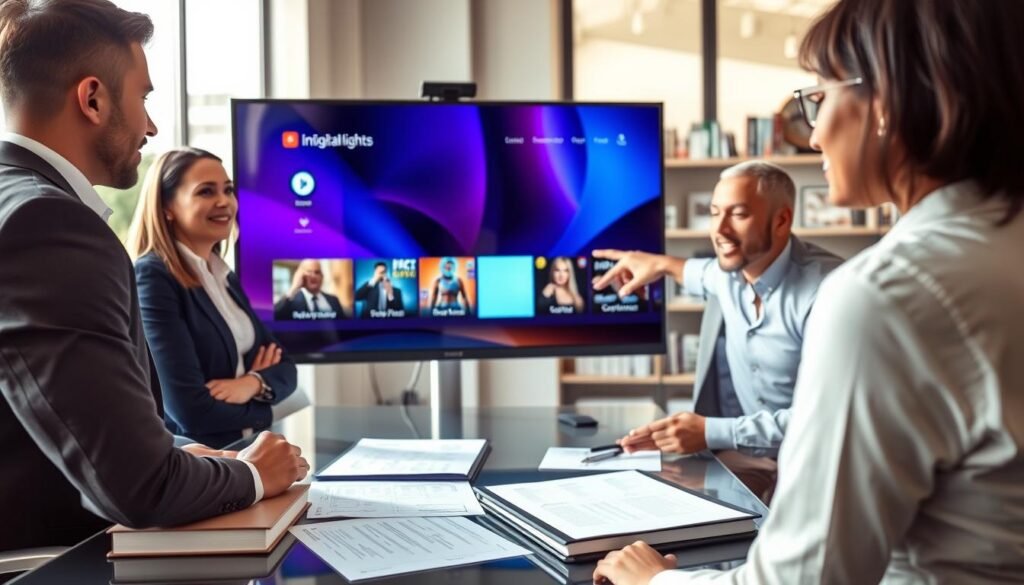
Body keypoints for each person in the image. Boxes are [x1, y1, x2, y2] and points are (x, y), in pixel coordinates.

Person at [595, 1, 1024, 583]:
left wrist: (654, 580)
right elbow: (703, 273)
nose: (813, 134)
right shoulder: (994, 249)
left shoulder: (884, 295)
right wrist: (660, 264)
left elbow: (808, 578)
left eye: (818, 97)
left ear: (888, 101)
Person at [0, 0, 307, 554]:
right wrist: (256, 473)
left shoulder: (15, 202)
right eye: (143, 97)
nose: (151, 125)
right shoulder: (49, 224)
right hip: (57, 561)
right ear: (92, 98)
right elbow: (141, 487)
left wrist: (177, 451)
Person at [594, 161, 842, 459]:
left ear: (781, 221)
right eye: (714, 213)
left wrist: (710, 432)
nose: (720, 230)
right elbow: (685, 269)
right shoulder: (726, 273)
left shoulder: (829, 293)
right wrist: (654, 263)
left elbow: (826, 418)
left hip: (823, 463)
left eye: (738, 214)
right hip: (762, 460)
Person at [129, 148, 299, 448]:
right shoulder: (153, 276)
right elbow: (190, 412)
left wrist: (251, 383)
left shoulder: (223, 275)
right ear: (167, 206)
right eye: (205, 192)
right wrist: (265, 409)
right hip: (205, 465)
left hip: (249, 451)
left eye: (228, 190)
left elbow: (285, 365)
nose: (224, 202)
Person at [272, 259, 345, 320]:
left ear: (322, 277)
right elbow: (274, 316)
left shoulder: (333, 300)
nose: (313, 276)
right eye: (309, 272)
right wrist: (293, 288)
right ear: (300, 276)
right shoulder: (291, 302)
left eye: (317, 272)